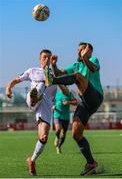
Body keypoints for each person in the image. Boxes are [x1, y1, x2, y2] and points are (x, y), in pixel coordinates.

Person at [48, 42, 104, 175]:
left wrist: (85, 57)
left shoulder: (93, 60)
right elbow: (59, 74)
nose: (79, 52)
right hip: (84, 103)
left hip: (95, 97)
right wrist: (54, 65)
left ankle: (51, 81)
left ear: (89, 51)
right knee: (76, 134)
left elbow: (92, 69)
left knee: (78, 76)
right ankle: (91, 163)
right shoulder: (76, 65)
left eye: (82, 50)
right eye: (78, 50)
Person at [6, 49, 57, 176]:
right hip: (32, 100)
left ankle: (32, 160)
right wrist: (8, 88)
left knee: (43, 138)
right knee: (39, 87)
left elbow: (56, 86)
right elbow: (16, 80)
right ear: (40, 59)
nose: (47, 59)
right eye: (44, 57)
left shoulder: (54, 74)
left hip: (44, 107)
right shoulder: (32, 71)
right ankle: (34, 97)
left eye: (49, 58)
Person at [52, 86, 77, 154]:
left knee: (63, 134)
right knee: (58, 128)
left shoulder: (69, 94)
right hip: (57, 115)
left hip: (66, 117)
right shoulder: (56, 94)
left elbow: (75, 102)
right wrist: (53, 106)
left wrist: (69, 102)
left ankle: (59, 147)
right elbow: (52, 102)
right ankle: (57, 137)